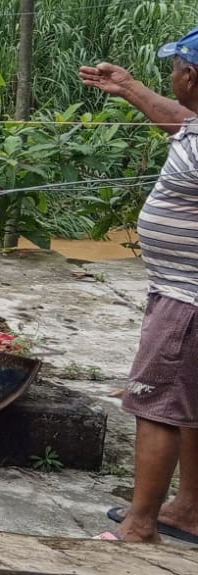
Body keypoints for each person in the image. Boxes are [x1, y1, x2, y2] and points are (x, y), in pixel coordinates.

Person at [79, 31, 198, 545]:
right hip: (181, 292)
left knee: (156, 404)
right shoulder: (194, 126)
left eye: (175, 69)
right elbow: (182, 120)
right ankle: (188, 510)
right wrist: (129, 88)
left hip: (186, 300)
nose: (171, 78)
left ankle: (140, 526)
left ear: (190, 75)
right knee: (188, 403)